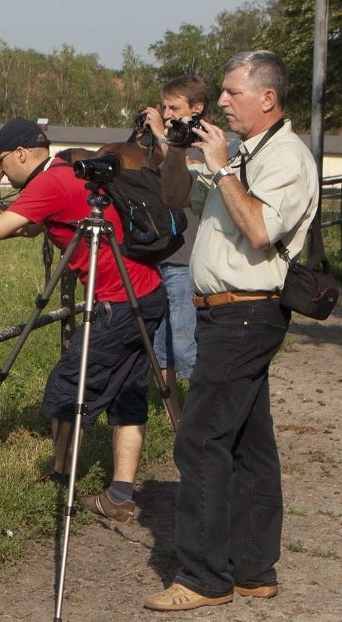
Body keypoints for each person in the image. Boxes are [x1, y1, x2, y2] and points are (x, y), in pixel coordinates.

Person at [144, 50, 319, 611]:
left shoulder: (286, 157)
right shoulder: (245, 151)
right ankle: (252, 568)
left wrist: (220, 167)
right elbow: (176, 198)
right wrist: (176, 150)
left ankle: (202, 577)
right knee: (248, 440)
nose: (219, 102)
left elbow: (262, 230)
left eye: (230, 93)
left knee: (199, 440)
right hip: (225, 310)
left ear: (267, 99)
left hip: (247, 311)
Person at [0, 117, 166, 524]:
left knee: (68, 389)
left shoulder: (49, 183)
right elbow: (30, 228)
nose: (1, 171)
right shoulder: (66, 173)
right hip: (148, 294)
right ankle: (119, 494)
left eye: (2, 163)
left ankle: (62, 479)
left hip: (117, 303)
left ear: (21, 154)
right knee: (127, 399)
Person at [139, 76, 208, 413]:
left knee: (186, 346)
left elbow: (188, 175)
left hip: (188, 261)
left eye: (174, 107)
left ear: (198, 109)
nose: (166, 114)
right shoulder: (165, 144)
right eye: (164, 107)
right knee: (160, 348)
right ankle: (176, 420)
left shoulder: (215, 144)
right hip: (161, 258)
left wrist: (165, 140)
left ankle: (202, 418)